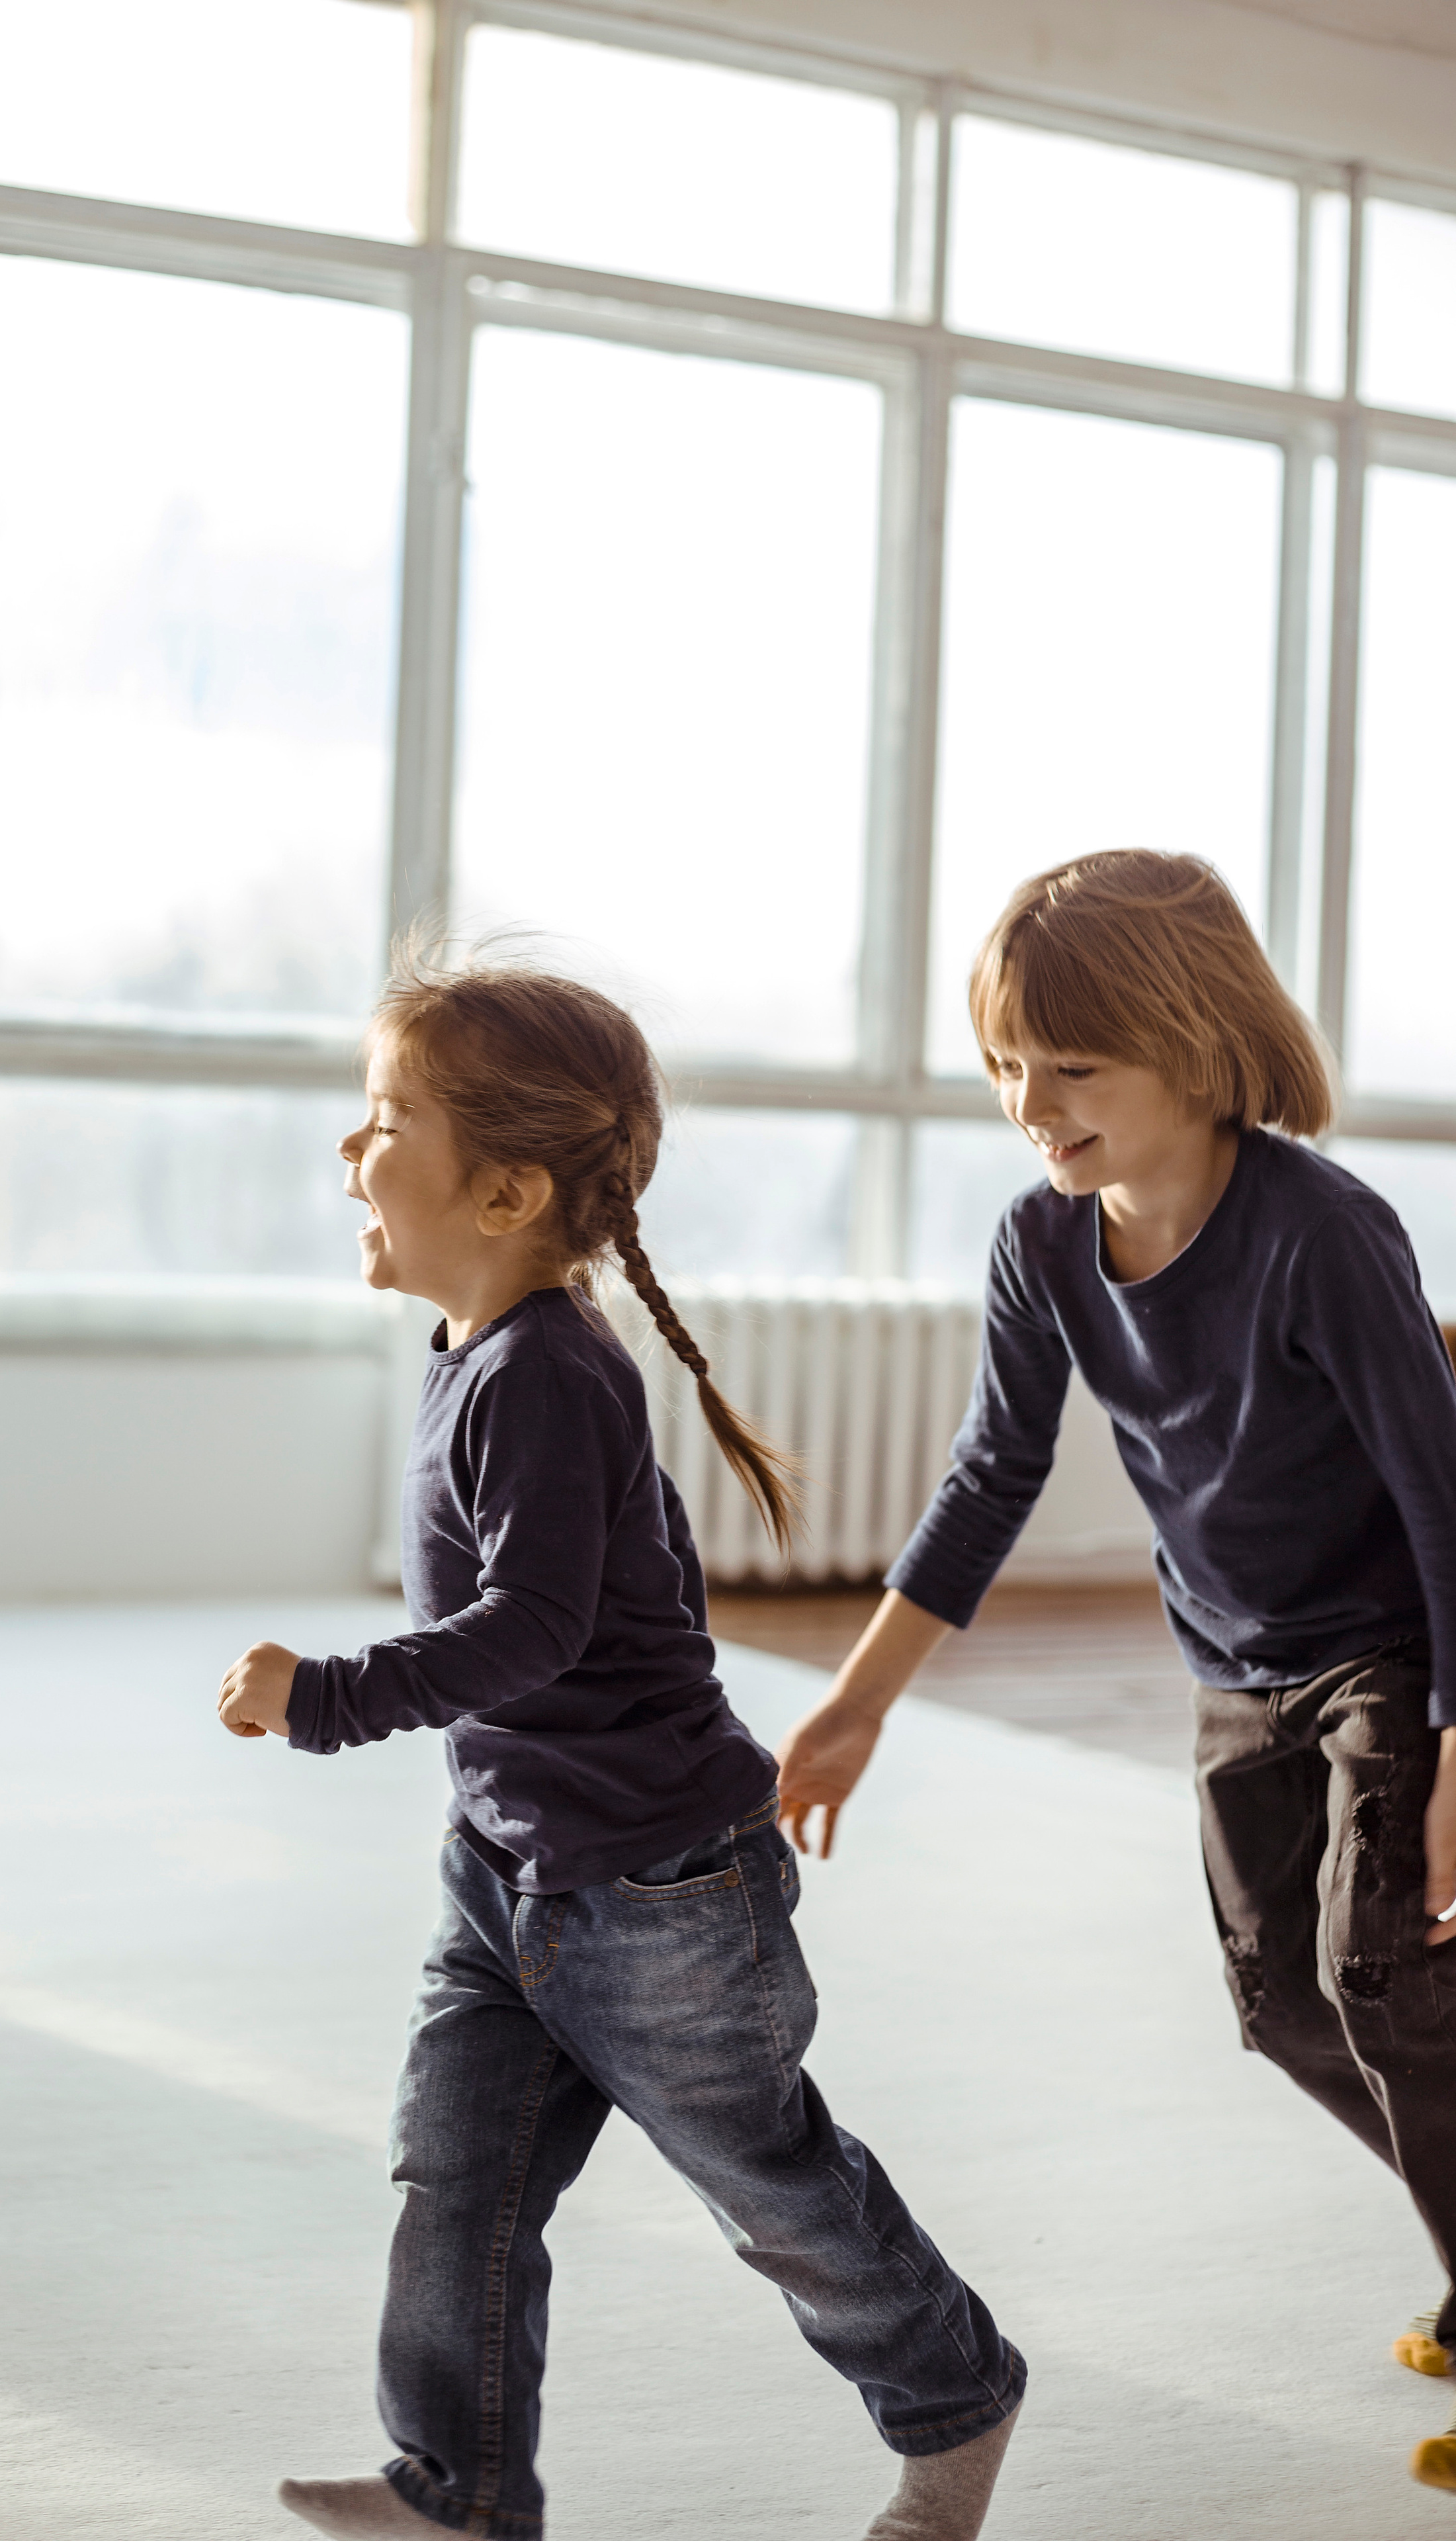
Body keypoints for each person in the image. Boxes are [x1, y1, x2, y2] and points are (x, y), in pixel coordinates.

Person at [217, 950, 1024, 2541]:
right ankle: (454, 2491)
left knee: (767, 2185)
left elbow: (534, 1631)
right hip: (508, 1871)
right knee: (458, 2183)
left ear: (507, 1191)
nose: (347, 1152)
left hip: (658, 1900)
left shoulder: (546, 1377)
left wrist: (325, 1698)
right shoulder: (476, 1351)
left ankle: (955, 2400)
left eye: (383, 1122)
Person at [775, 850, 1456, 2498]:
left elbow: (1444, 1496)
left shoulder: (1321, 1235)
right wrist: (855, 1701)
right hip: (1233, 1664)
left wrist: (1454, 1750)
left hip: (1391, 1648)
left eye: (1069, 1066)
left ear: (1195, 1042)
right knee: (1282, 2010)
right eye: (1005, 1064)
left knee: (1382, 1982)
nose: (1028, 1100)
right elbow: (985, 1477)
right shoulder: (1045, 1245)